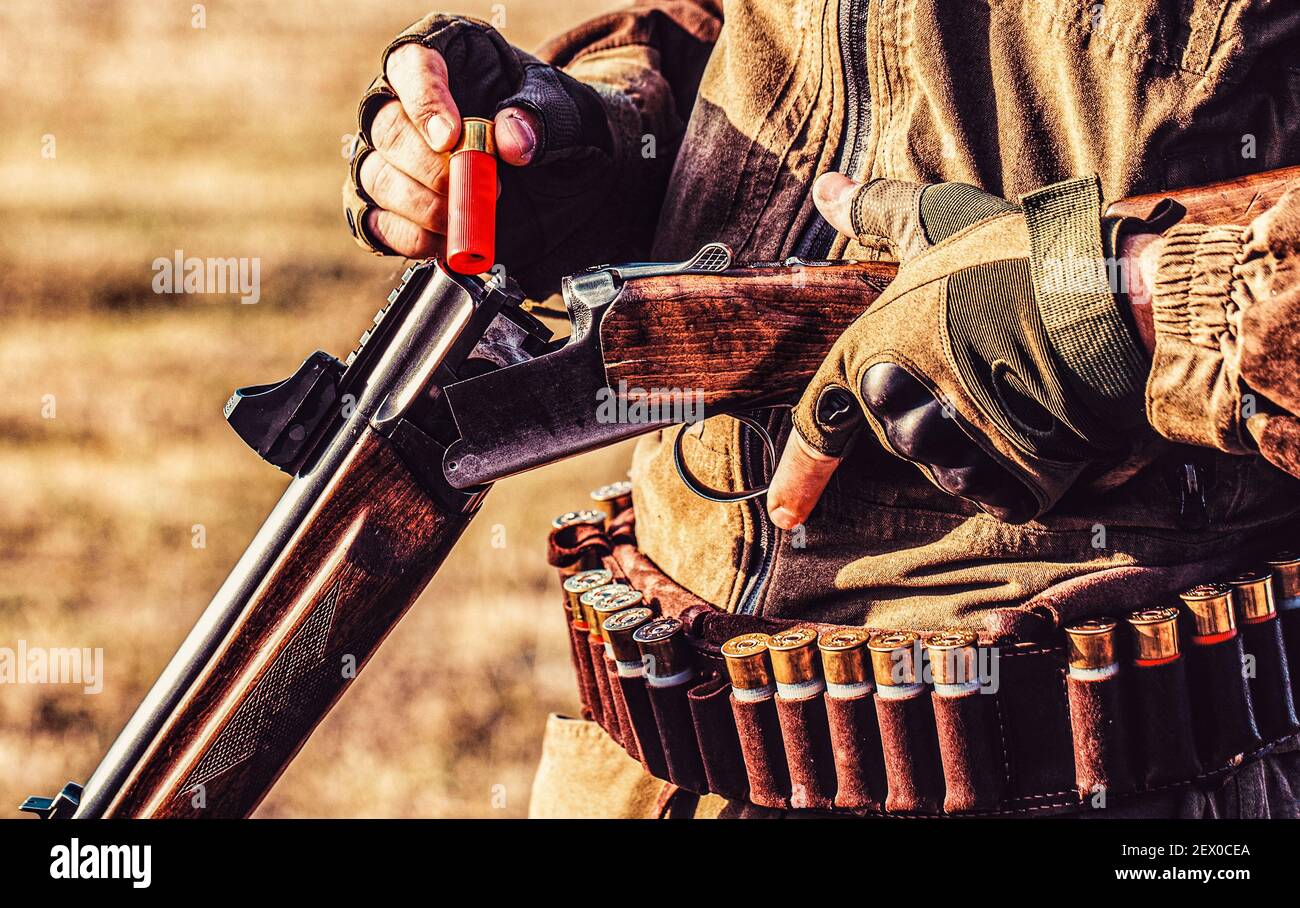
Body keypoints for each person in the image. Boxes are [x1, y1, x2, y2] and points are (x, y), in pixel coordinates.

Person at [343, 2, 1300, 818]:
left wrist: (1136, 296)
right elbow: (731, 35)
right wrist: (598, 131)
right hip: (667, 733)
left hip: (1111, 755)